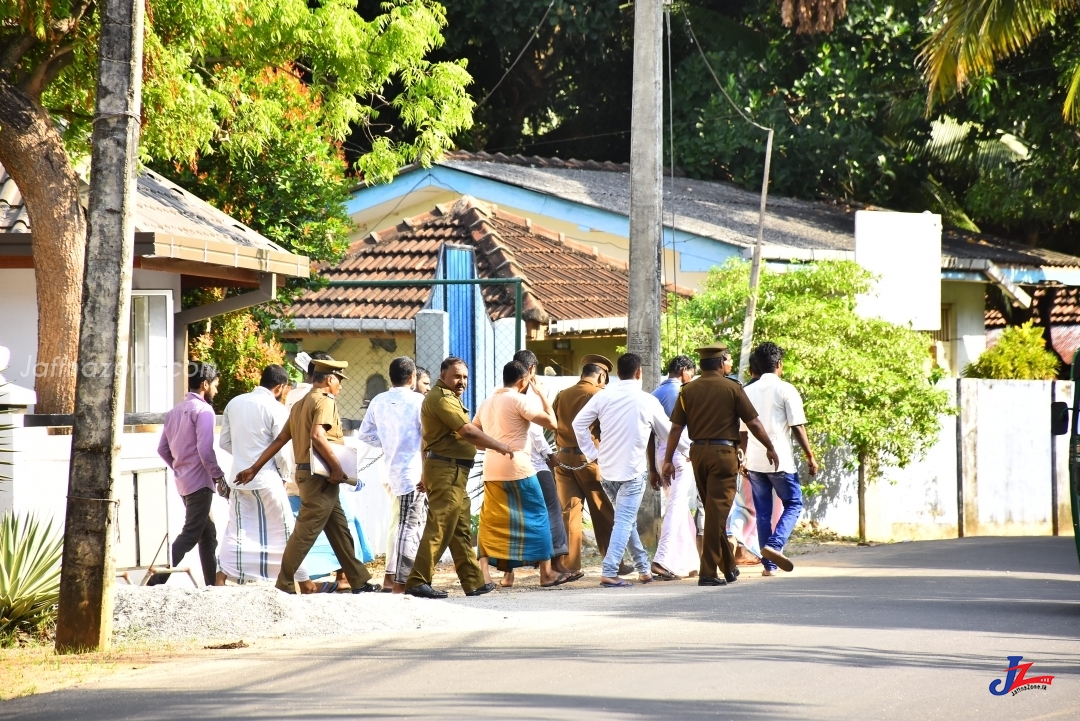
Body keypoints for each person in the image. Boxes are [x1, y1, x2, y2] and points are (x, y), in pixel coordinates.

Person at [236, 356, 381, 594]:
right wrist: (337, 468)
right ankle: (284, 583)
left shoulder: (300, 403)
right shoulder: (325, 401)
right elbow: (317, 436)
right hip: (320, 478)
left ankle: (359, 580)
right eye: (339, 381)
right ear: (330, 379)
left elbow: (281, 439)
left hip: (309, 476)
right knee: (305, 532)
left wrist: (254, 467)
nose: (341, 386)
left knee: (340, 530)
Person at [662, 342, 780, 587]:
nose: (729, 364)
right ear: (719, 363)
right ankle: (708, 572)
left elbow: (675, 428)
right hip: (723, 453)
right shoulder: (733, 388)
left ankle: (728, 567)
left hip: (697, 454)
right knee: (717, 514)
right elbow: (754, 423)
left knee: (713, 510)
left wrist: (667, 459)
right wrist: (769, 446)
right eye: (727, 360)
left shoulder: (687, 390)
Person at [573, 353, 688, 588]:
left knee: (626, 521)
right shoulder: (646, 400)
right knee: (625, 520)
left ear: (617, 374)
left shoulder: (603, 396)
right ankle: (609, 570)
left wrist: (593, 453)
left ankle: (644, 570)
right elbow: (668, 433)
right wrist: (691, 448)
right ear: (639, 373)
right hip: (632, 472)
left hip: (606, 470)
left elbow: (578, 424)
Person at [404, 357, 513, 599]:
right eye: (456, 376)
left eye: (464, 377)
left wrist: (425, 471)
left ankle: (473, 582)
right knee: (440, 526)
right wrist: (499, 446)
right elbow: (467, 431)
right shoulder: (442, 398)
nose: (461, 381)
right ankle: (418, 580)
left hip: (451, 471)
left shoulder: (449, 398)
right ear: (443, 376)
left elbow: (427, 440)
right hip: (447, 471)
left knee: (460, 529)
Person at [217, 364, 320, 589]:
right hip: (268, 479)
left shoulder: (234, 403)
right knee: (285, 529)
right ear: (281, 387)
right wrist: (284, 476)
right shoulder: (275, 408)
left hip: (238, 479)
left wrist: (246, 458)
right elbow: (282, 451)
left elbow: (223, 442)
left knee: (236, 529)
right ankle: (304, 582)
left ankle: (221, 577)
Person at [474, 360, 572, 588]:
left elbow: (474, 436)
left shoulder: (487, 403)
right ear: (523, 380)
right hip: (518, 467)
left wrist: (493, 444)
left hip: (491, 468)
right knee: (538, 516)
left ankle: (488, 576)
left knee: (492, 521)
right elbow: (552, 423)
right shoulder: (520, 399)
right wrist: (540, 394)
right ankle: (546, 574)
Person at [740, 342, 818, 576]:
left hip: (754, 462)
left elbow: (742, 431)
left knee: (763, 512)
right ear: (779, 365)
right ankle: (775, 545)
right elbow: (798, 427)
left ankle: (769, 566)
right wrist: (810, 455)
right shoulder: (786, 389)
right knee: (793, 503)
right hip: (780, 460)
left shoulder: (746, 391)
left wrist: (743, 457)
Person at [149, 361, 225, 586]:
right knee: (191, 534)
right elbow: (205, 450)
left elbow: (162, 449)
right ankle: (155, 581)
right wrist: (218, 476)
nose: (216, 390)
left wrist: (181, 467)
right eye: (215, 385)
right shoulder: (204, 411)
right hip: (200, 483)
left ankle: (212, 585)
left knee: (207, 534)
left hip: (184, 483)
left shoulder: (174, 412)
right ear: (205, 384)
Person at [358, 356, 426, 594]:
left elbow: (365, 435)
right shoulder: (419, 401)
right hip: (415, 472)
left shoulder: (378, 400)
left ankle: (394, 578)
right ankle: (401, 581)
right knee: (408, 526)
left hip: (392, 470)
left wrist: (388, 444)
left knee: (400, 524)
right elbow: (427, 438)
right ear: (412, 377)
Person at [510, 349, 573, 586]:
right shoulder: (532, 394)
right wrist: (550, 455)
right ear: (532, 370)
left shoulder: (502, 393)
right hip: (535, 462)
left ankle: (509, 574)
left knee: (517, 515)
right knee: (552, 511)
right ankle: (554, 566)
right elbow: (539, 429)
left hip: (511, 463)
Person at [552, 355, 620, 573]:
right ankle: (613, 562)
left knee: (570, 512)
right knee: (603, 510)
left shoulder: (562, 395)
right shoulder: (600, 395)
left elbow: (554, 425)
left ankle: (570, 565)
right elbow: (608, 430)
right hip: (589, 459)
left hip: (563, 459)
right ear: (601, 375)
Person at [650, 355, 700, 579]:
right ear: (684, 371)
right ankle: (662, 559)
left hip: (661, 455)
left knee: (679, 508)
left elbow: (650, 436)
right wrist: (689, 451)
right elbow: (677, 431)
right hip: (678, 453)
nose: (693, 377)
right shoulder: (681, 393)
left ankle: (688, 561)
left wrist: (652, 467)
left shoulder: (654, 394)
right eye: (692, 372)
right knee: (677, 507)